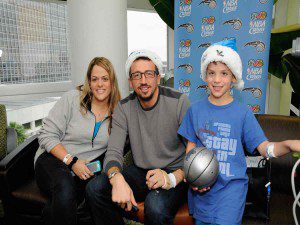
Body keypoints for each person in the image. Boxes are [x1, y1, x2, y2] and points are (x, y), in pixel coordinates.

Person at [178, 38, 300, 225]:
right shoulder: (195, 111)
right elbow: (190, 151)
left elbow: (265, 149)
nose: (217, 80)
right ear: (205, 75)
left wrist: (289, 144)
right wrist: (193, 178)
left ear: (234, 77)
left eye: (224, 73)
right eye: (211, 73)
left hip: (231, 193)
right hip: (202, 194)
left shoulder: (243, 113)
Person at [86, 50, 190, 225]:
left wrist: (173, 177)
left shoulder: (179, 102)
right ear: (130, 82)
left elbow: (195, 154)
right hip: (142, 171)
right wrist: (116, 178)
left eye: (149, 74)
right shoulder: (124, 107)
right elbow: (114, 151)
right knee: (94, 188)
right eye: (137, 75)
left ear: (158, 77)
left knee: (155, 206)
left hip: (174, 171)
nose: (143, 81)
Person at [34, 57, 121, 225]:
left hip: (85, 167)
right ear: (89, 81)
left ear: (112, 82)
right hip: (52, 158)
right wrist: (71, 161)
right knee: (65, 186)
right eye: (94, 79)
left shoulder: (118, 112)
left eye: (105, 79)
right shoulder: (72, 99)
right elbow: (46, 135)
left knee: (86, 193)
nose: (100, 84)